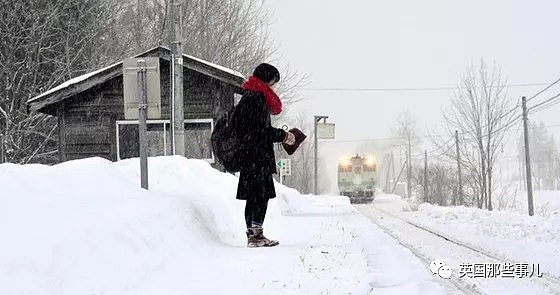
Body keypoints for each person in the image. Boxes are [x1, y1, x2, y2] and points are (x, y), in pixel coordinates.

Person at [233, 63, 296, 248]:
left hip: (249, 156)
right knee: (259, 196)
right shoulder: (257, 99)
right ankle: (256, 236)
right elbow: (261, 131)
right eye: (273, 83)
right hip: (257, 157)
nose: (273, 87)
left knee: (254, 196)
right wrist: (284, 136)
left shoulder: (248, 97)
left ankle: (253, 235)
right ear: (267, 80)